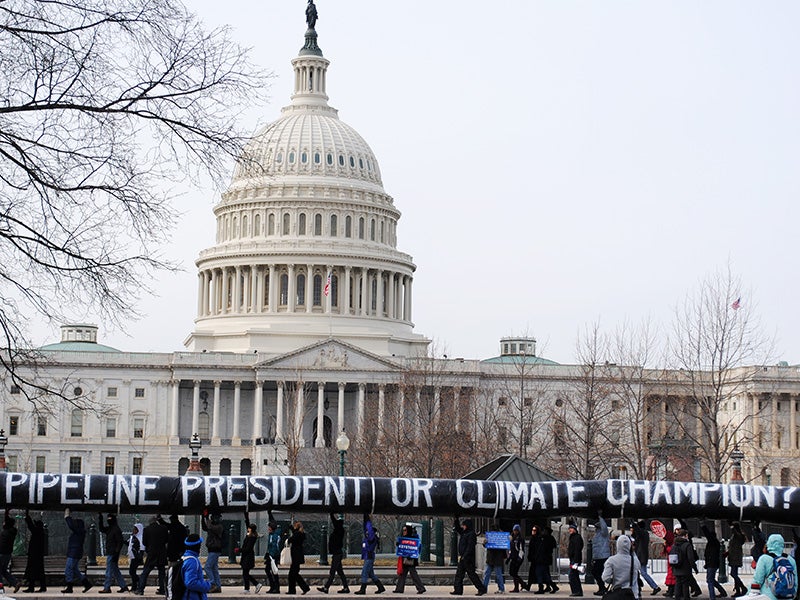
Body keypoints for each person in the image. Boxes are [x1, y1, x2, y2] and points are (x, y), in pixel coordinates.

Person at [750, 533, 798, 600]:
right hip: (788, 596)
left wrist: (751, 594)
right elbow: (795, 581)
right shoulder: (791, 560)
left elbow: (757, 580)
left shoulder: (764, 558)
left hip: (768, 596)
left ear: (769, 543)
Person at [451, 517, 486, 596]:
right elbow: (458, 528)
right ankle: (458, 589)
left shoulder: (471, 534)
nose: (462, 527)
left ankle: (481, 589)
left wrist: (465, 556)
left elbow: (470, 547)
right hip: (463, 557)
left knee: (472, 575)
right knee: (459, 574)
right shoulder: (464, 533)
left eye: (464, 525)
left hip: (468, 558)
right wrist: (456, 520)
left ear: (467, 525)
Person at [135, 515, 169, 595]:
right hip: (161, 553)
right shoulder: (164, 528)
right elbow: (167, 539)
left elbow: (144, 542)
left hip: (151, 553)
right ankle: (162, 589)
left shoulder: (146, 529)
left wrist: (149, 547)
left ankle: (140, 590)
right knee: (162, 573)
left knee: (145, 572)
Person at [601, 534, 641, 599]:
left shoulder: (611, 560)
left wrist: (613, 580)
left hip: (617, 594)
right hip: (633, 595)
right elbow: (638, 570)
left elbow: (605, 578)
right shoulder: (635, 561)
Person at [318, 513, 349, 594]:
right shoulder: (339, 529)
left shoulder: (339, 529)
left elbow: (334, 522)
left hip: (337, 553)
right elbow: (335, 522)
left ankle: (326, 587)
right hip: (337, 553)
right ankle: (346, 588)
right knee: (340, 572)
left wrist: (331, 513)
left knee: (332, 571)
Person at [63, 508, 93, 593]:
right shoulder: (80, 532)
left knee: (68, 569)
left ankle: (69, 587)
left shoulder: (79, 531)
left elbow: (71, 525)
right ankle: (87, 584)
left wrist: (67, 517)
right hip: (75, 552)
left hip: (74, 553)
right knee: (75, 569)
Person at [98, 513, 128, 593]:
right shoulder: (112, 528)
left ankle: (107, 587)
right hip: (112, 552)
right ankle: (123, 586)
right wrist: (100, 520)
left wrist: (116, 552)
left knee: (109, 571)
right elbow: (102, 529)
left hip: (112, 553)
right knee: (115, 570)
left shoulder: (115, 529)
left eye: (110, 519)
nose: (108, 520)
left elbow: (120, 542)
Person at [356, 514, 385, 595]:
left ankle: (363, 589)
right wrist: (365, 519)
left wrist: (368, 520)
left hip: (369, 557)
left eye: (369, 531)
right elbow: (365, 528)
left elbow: (368, 528)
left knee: (364, 573)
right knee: (371, 574)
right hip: (367, 557)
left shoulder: (372, 539)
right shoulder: (368, 538)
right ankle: (381, 587)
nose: (367, 532)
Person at [393, 524, 426, 594]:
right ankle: (399, 588)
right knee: (403, 573)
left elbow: (418, 548)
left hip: (411, 559)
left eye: (405, 530)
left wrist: (412, 555)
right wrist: (399, 544)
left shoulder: (414, 538)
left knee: (413, 574)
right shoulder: (404, 538)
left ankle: (420, 588)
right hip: (405, 558)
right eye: (403, 530)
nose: (404, 532)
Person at [631, 521, 661, 595]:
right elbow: (634, 536)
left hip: (641, 556)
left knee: (643, 573)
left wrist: (632, 522)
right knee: (638, 572)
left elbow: (637, 532)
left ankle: (655, 587)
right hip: (641, 556)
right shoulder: (642, 534)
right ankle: (640, 586)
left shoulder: (643, 533)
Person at [700, 523, 728, 600]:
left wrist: (703, 525)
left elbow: (707, 534)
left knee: (710, 581)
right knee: (711, 580)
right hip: (713, 563)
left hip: (711, 564)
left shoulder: (712, 542)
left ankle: (712, 597)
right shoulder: (715, 543)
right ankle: (722, 592)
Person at [22, 509, 46, 592]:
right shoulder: (41, 533)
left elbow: (30, 525)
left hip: (34, 555)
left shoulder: (37, 532)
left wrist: (27, 515)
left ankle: (31, 587)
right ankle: (42, 587)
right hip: (38, 556)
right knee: (40, 572)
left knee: (32, 571)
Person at [182, 533, 212, 600]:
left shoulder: (184, 558)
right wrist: (206, 585)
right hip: (192, 597)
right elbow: (190, 582)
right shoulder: (192, 561)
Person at [201, 511, 224, 593]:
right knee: (214, 568)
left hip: (215, 549)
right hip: (212, 549)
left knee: (207, 567)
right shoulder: (213, 526)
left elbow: (209, 526)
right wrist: (203, 517)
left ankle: (213, 583)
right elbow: (205, 527)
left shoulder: (219, 527)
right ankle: (218, 586)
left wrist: (206, 517)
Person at [287, 520, 311, 595]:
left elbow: (291, 539)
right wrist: (292, 529)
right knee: (294, 574)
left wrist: (290, 533)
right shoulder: (301, 534)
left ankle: (303, 588)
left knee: (292, 574)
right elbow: (295, 534)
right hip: (298, 556)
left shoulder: (297, 534)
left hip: (295, 556)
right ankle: (294, 590)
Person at [240, 517, 263, 594]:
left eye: (249, 528)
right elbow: (248, 525)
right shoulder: (250, 535)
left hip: (248, 558)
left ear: (251, 529)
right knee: (245, 573)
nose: (248, 529)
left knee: (245, 573)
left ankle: (249, 588)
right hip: (246, 557)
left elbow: (247, 549)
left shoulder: (251, 537)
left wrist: (239, 550)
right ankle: (255, 585)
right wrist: (246, 516)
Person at [482, 526, 507, 594]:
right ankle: (501, 589)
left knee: (488, 574)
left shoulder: (490, 537)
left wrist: (485, 543)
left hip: (492, 558)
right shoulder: (500, 537)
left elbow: (485, 545)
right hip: (496, 558)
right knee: (497, 574)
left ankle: (484, 588)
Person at [591, 514, 611, 597]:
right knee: (597, 572)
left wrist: (600, 517)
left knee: (596, 572)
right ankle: (602, 587)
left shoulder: (604, 533)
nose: (595, 528)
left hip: (603, 556)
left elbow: (604, 527)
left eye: (596, 526)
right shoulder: (597, 535)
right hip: (598, 557)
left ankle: (602, 587)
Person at [0, 509, 20, 593]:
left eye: (4, 522)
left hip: (1, 553)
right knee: (3, 571)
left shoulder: (5, 533)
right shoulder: (12, 532)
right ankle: (15, 582)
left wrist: (6, 512)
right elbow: (7, 521)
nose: (3, 523)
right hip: (7, 554)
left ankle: (0, 587)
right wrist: (6, 512)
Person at [671, 529, 694, 600]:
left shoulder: (674, 544)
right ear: (685, 535)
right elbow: (690, 558)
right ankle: (686, 597)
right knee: (685, 585)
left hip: (676, 568)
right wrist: (694, 567)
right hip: (685, 568)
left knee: (677, 584)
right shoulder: (687, 545)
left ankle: (677, 597)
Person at [727, 522, 747, 597]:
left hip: (735, 557)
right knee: (735, 574)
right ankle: (738, 590)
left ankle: (743, 587)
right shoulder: (737, 536)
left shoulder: (738, 535)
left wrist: (731, 527)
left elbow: (735, 533)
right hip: (734, 556)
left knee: (733, 574)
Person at [566, 523, 584, 598]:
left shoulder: (577, 538)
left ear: (575, 529)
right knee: (575, 575)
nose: (570, 530)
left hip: (575, 559)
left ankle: (576, 591)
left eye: (571, 528)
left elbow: (577, 549)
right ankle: (578, 591)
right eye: (569, 528)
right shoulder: (573, 537)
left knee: (572, 575)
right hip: (573, 559)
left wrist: (576, 561)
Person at [507, 525, 525, 593]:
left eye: (516, 530)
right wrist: (509, 558)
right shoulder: (512, 538)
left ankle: (517, 587)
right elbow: (511, 549)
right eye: (514, 530)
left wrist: (519, 558)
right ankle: (523, 584)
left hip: (518, 558)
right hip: (513, 557)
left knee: (514, 572)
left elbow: (521, 549)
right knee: (512, 572)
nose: (515, 531)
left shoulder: (520, 538)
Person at [264, 519, 281, 593]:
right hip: (271, 555)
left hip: (273, 556)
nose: (268, 529)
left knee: (273, 571)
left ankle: (275, 587)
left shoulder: (274, 536)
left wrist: (272, 555)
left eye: (269, 527)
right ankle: (274, 587)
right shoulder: (272, 535)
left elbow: (274, 546)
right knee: (271, 570)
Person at [541, 527, 559, 594]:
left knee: (545, 574)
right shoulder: (550, 538)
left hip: (545, 558)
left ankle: (553, 586)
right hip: (547, 557)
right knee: (546, 573)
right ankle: (549, 586)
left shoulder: (547, 538)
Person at [128, 523, 144, 592]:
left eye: (135, 529)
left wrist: (139, 556)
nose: (133, 530)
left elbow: (142, 548)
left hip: (136, 557)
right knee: (132, 571)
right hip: (133, 556)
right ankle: (134, 586)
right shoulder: (134, 537)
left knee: (132, 571)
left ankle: (138, 582)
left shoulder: (140, 537)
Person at [662, 529, 676, 598]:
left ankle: (671, 591)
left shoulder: (672, 545)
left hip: (672, 563)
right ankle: (670, 591)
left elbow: (669, 550)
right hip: (670, 563)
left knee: (672, 577)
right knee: (671, 577)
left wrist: (666, 547)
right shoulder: (670, 543)